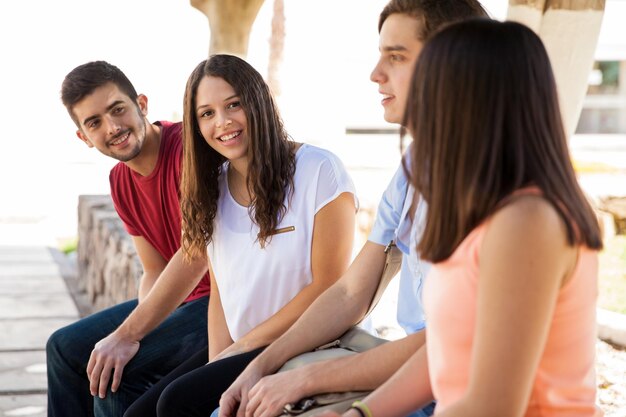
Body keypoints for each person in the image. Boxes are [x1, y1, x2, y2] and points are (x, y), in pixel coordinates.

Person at [217, 2, 488, 417]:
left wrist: (308, 381)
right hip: (417, 376)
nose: (375, 74)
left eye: (395, 57)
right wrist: (263, 365)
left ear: (452, 62)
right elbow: (349, 291)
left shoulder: (494, 183)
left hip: (454, 389)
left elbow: (454, 345)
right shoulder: (415, 168)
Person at [327, 19, 604, 417]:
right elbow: (445, 352)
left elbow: (493, 405)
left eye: (431, 83)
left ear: (470, 98)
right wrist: (360, 414)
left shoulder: (528, 222)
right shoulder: (479, 207)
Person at [121, 54, 357, 417]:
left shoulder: (319, 170)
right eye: (207, 113)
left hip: (309, 341)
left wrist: (237, 353)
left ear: (258, 101)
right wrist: (218, 364)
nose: (223, 122)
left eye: (234, 104)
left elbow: (329, 284)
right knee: (138, 412)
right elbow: (221, 292)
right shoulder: (210, 189)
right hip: (243, 347)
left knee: (175, 404)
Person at [47, 61, 212, 417]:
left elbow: (196, 256)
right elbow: (153, 270)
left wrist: (130, 336)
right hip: (182, 303)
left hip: (223, 301)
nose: (113, 127)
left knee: (116, 377)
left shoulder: (189, 149)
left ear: (142, 104)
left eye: (117, 109)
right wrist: (145, 329)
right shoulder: (120, 181)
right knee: (62, 347)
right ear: (84, 137)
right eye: (94, 123)